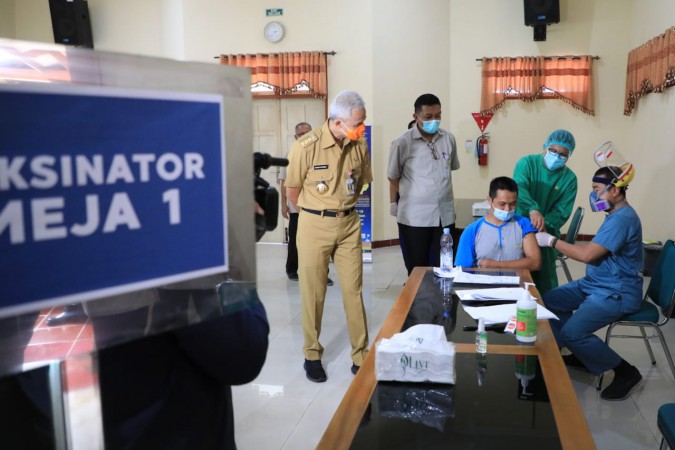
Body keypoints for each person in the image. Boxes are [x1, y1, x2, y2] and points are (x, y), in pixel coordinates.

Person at [535, 165, 643, 401]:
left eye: (597, 189)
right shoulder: (614, 215)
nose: (594, 196)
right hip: (596, 283)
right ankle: (582, 354)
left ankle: (626, 372)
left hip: (617, 291)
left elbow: (587, 255)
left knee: (574, 332)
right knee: (549, 301)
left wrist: (550, 241)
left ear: (615, 191)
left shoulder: (621, 220)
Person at [285, 90, 372, 383]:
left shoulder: (358, 145)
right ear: (337, 122)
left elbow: (361, 182)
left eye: (362, 123)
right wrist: (316, 213)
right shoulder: (305, 146)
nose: (361, 128)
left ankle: (360, 355)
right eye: (357, 123)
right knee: (313, 292)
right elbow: (292, 191)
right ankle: (312, 354)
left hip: (349, 225)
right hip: (313, 225)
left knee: (353, 291)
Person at [387, 94, 460, 275]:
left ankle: (440, 302)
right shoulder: (403, 142)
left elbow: (449, 170)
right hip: (415, 218)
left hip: (444, 217)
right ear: (416, 117)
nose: (434, 120)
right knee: (417, 270)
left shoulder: (448, 139)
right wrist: (403, 198)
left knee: (443, 268)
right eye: (428, 116)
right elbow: (393, 176)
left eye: (438, 115)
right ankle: (417, 303)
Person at [279, 122, 333, 285]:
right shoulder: (290, 154)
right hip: (297, 207)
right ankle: (292, 270)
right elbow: (283, 183)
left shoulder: (322, 152)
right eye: (301, 134)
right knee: (296, 240)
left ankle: (322, 274)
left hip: (318, 207)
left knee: (320, 243)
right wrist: (283, 204)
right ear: (296, 137)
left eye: (308, 132)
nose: (306, 136)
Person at [455, 176, 541, 270]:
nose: (507, 209)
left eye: (512, 204)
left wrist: (496, 265)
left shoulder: (523, 224)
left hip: (517, 283)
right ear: (489, 200)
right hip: (483, 283)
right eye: (502, 204)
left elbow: (535, 262)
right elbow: (462, 270)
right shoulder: (472, 231)